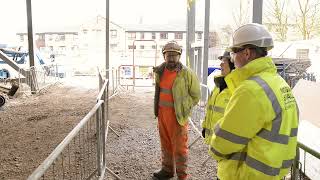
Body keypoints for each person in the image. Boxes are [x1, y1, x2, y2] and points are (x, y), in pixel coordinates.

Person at [209, 23, 299, 180]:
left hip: (245, 174)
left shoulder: (250, 90)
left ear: (247, 53)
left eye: (233, 52)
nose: (231, 58)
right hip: (272, 173)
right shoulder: (279, 84)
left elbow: (222, 143)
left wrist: (215, 141)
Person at [153, 40, 200, 180]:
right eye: (169, 55)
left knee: (180, 148)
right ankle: (167, 170)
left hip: (178, 118)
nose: (172, 58)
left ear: (179, 56)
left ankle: (182, 176)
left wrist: (185, 107)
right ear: (164, 56)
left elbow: (196, 95)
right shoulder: (159, 71)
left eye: (175, 55)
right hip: (163, 116)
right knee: (165, 144)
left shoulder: (186, 74)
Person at [201, 51, 234, 146]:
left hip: (227, 144)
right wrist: (205, 126)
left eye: (224, 61)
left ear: (233, 65)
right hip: (215, 141)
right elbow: (209, 109)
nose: (220, 64)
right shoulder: (218, 86)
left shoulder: (237, 89)